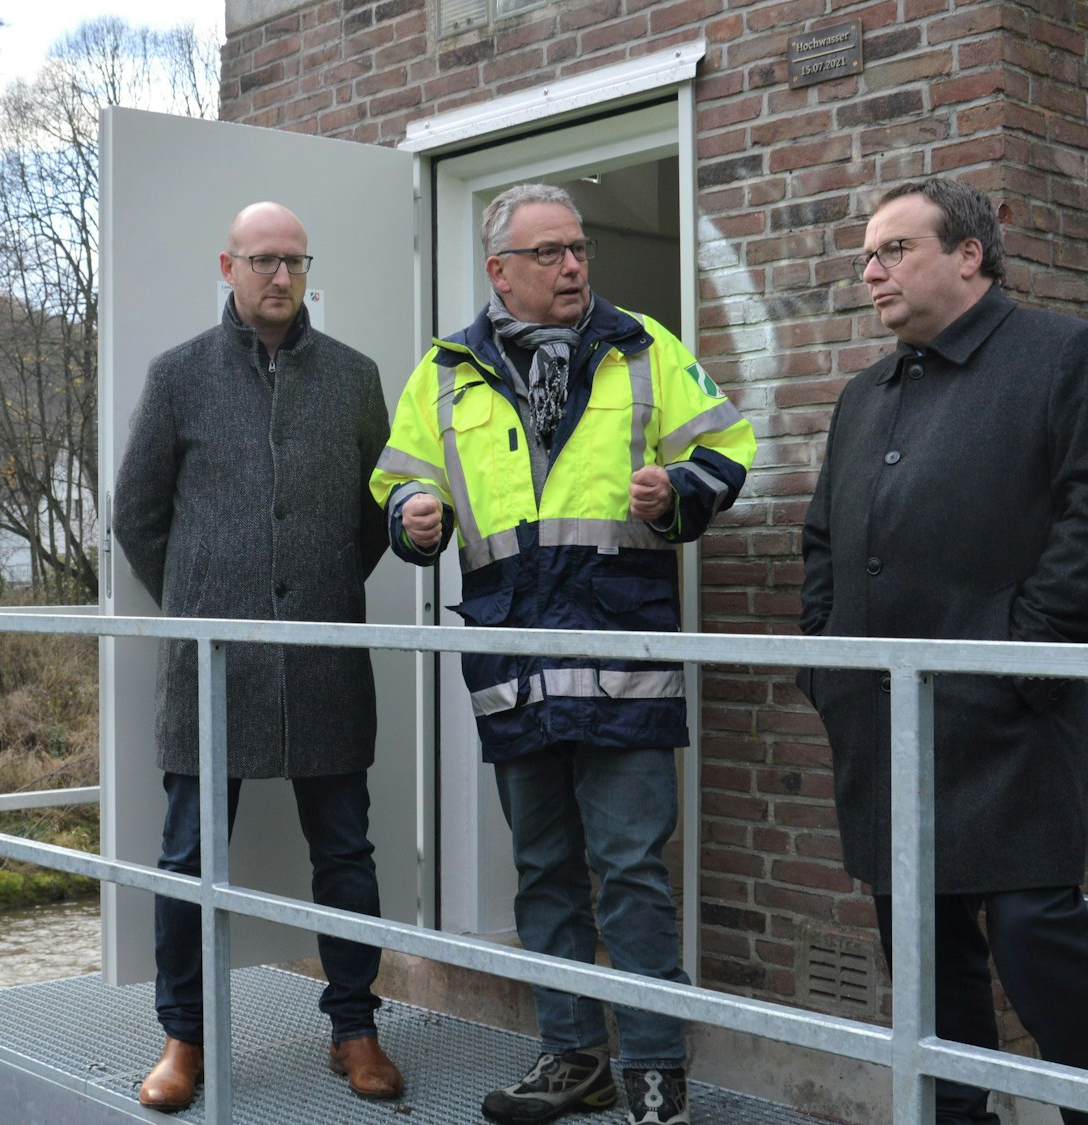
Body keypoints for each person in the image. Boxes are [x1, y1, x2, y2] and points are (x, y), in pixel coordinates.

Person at [371, 182, 755, 1125]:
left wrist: (678, 494)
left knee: (631, 867)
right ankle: (571, 1056)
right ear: (499, 271)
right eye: (548, 253)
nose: (573, 265)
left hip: (622, 656)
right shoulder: (444, 372)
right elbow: (400, 481)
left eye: (578, 248)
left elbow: (727, 448)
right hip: (514, 664)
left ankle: (657, 1068)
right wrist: (411, 521)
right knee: (542, 869)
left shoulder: (646, 348)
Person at [798, 177, 1088, 1125]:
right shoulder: (862, 393)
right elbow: (822, 544)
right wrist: (829, 663)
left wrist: (1022, 654)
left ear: (970, 255)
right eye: (866, 256)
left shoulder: (1062, 353)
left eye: (894, 250)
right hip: (881, 720)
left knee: (1042, 945)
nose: (872, 271)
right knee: (921, 961)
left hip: (1009, 717)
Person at [113, 201, 401, 1110]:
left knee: (347, 853)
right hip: (211, 668)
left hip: (324, 658)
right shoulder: (177, 378)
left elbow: (374, 518)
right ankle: (184, 1039)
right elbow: (138, 514)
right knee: (189, 859)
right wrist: (205, 601)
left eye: (295, 261)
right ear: (228, 265)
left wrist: (309, 591)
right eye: (263, 261)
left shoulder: (356, 379)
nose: (280, 277)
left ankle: (355, 1029)